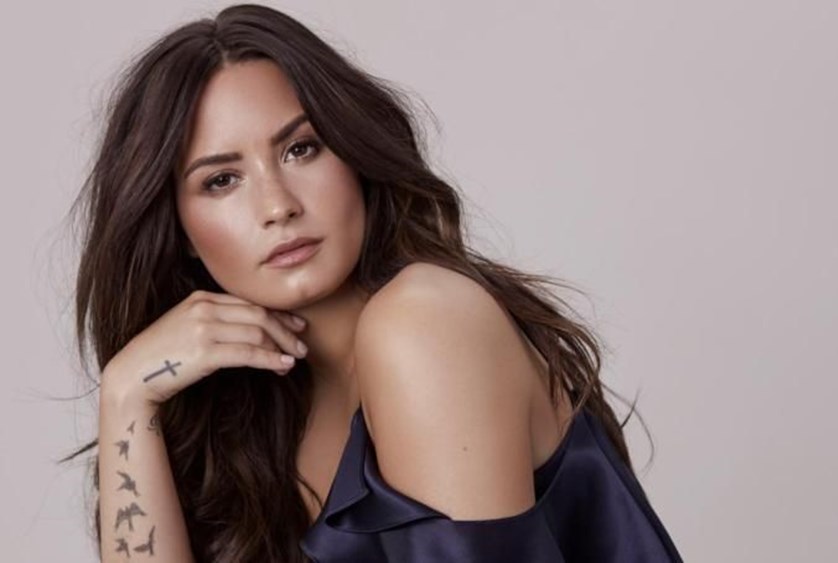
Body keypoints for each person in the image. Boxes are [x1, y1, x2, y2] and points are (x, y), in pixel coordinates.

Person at [59, 3, 684, 562]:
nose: (277, 205)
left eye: (301, 149)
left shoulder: (424, 324)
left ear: (354, 153)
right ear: (181, 232)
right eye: (221, 181)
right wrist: (126, 397)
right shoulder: (251, 415)